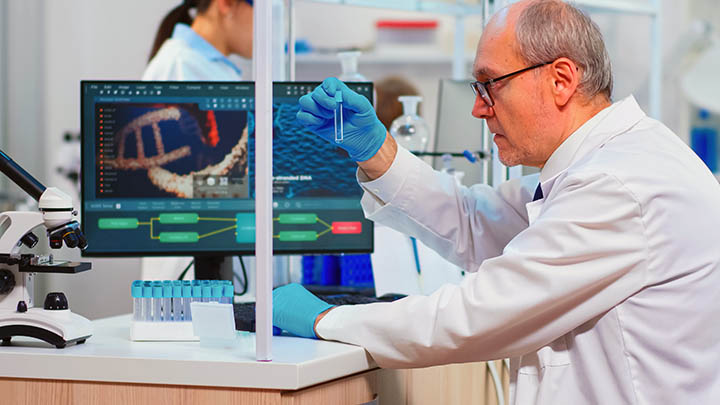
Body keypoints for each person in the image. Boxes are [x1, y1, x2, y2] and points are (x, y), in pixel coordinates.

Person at [272, 0, 720, 403]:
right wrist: (376, 152)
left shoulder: (618, 184)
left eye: (491, 84)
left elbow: (474, 316)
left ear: (561, 79)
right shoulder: (596, 165)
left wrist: (326, 320)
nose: (479, 108)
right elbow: (472, 220)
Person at [143, 0, 253, 81]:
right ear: (227, 3)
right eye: (263, 13)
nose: (267, 27)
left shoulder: (207, 67)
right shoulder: (180, 66)